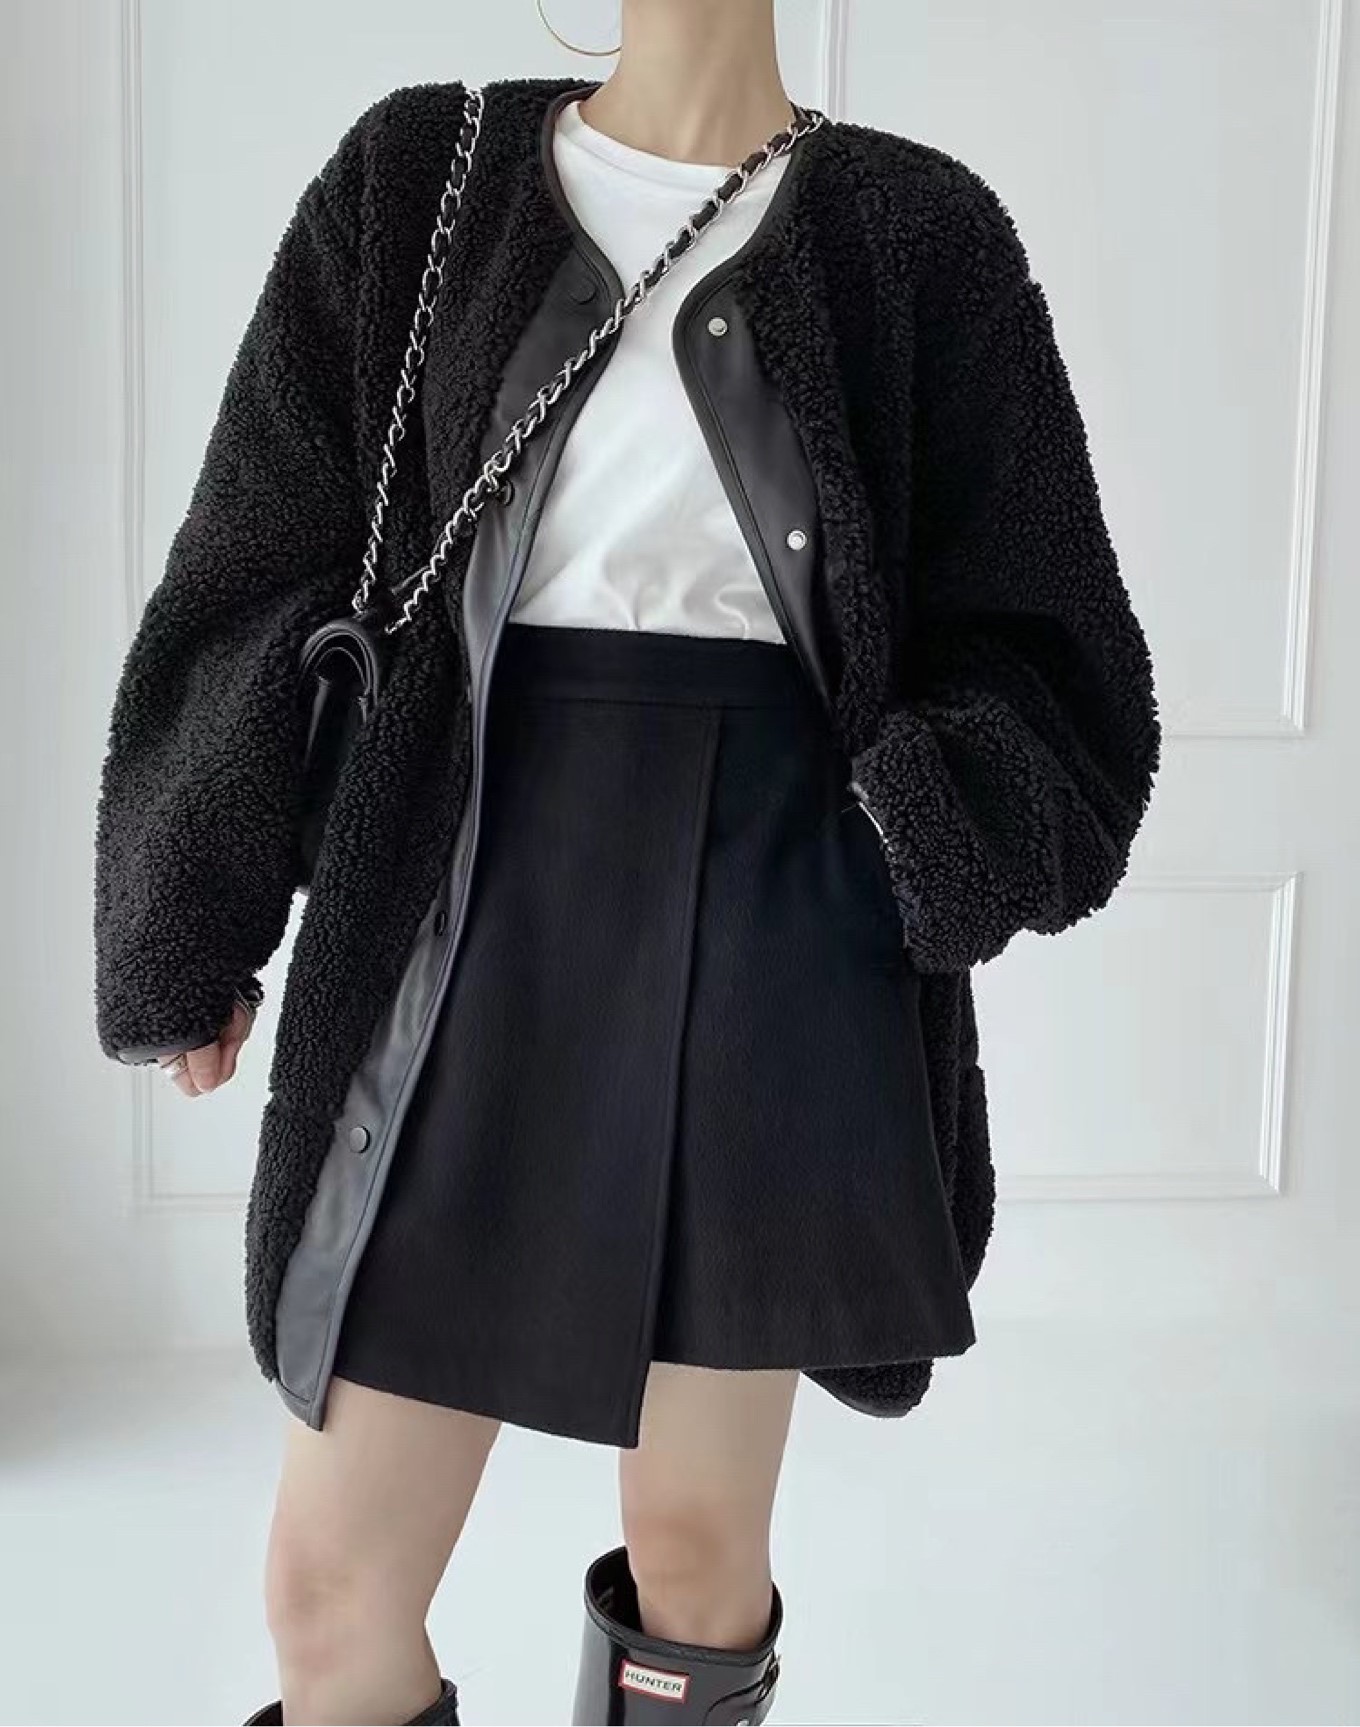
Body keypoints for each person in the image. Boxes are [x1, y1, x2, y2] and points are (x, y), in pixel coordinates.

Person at [91, 2, 1162, 1722]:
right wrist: (190, 912)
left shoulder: (918, 231)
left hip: (783, 914)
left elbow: (1058, 654)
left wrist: (913, 825)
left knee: (695, 1554)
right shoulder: (419, 178)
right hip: (470, 899)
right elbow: (253, 564)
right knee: (329, 1591)